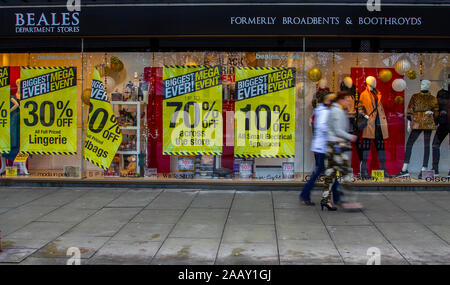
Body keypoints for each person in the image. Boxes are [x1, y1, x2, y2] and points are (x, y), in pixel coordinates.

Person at [321, 91, 362, 211]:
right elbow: (338, 130)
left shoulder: (334, 110)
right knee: (346, 173)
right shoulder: (337, 111)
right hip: (336, 146)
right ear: (341, 100)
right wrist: (351, 137)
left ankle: (325, 200)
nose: (349, 101)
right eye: (347, 99)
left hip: (330, 145)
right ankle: (350, 201)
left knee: (330, 174)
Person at [300, 93, 339, 206]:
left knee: (325, 171)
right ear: (327, 101)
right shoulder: (324, 112)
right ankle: (337, 197)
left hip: (322, 146)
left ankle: (337, 197)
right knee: (324, 171)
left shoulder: (320, 110)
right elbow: (322, 127)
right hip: (324, 147)